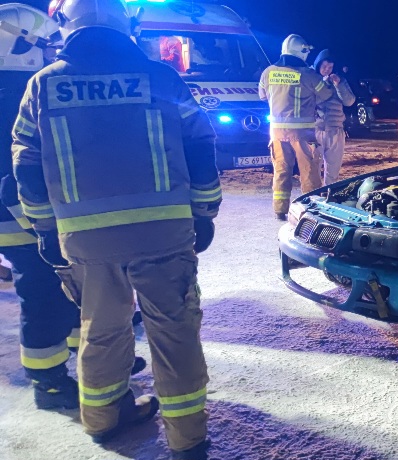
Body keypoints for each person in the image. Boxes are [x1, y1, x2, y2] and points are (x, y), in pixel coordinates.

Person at [16, 1, 222, 458]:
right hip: (163, 235)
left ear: (65, 27)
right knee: (174, 334)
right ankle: (188, 441)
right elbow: (200, 143)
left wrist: (45, 228)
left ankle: (103, 419)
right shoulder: (161, 78)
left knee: (100, 330)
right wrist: (204, 210)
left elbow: (25, 162)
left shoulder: (43, 84)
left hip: (86, 240)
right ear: (126, 25)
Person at [0, 2, 81, 412]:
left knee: (68, 288)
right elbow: (15, 171)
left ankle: (79, 359)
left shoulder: (14, 88)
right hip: (21, 216)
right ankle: (48, 382)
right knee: (42, 292)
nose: (54, 54)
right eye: (48, 46)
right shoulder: (15, 94)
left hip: (25, 213)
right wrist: (43, 227)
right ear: (22, 46)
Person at [259, 34, 330, 220]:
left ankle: (280, 210)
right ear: (302, 52)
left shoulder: (268, 72)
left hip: (276, 132)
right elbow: (326, 95)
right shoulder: (309, 75)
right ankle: (312, 209)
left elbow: (262, 95)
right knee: (308, 171)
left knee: (281, 170)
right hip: (303, 134)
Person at [312, 49, 356, 185]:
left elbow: (349, 101)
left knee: (333, 170)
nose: (327, 70)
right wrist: (322, 84)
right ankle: (314, 197)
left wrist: (339, 85)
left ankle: (329, 196)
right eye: (324, 66)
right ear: (318, 65)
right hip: (316, 130)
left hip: (336, 130)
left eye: (330, 67)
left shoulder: (340, 81)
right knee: (313, 168)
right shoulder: (311, 80)